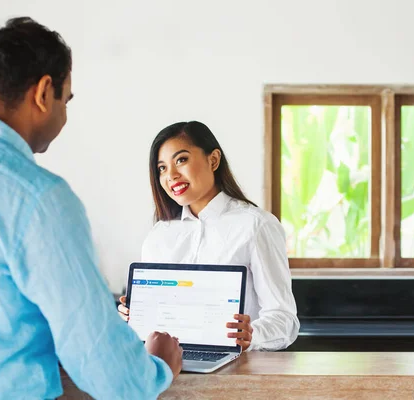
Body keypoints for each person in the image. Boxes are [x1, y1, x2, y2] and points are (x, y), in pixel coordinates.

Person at [0, 17, 181, 400]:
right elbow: (105, 366)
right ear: (43, 92)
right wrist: (158, 366)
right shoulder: (39, 197)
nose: (64, 116)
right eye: (65, 100)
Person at [119, 121, 299, 351]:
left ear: (213, 160)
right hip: (165, 370)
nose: (171, 175)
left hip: (234, 372)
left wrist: (252, 335)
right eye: (162, 168)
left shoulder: (256, 225)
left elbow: (285, 320)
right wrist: (135, 316)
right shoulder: (159, 235)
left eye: (181, 160)